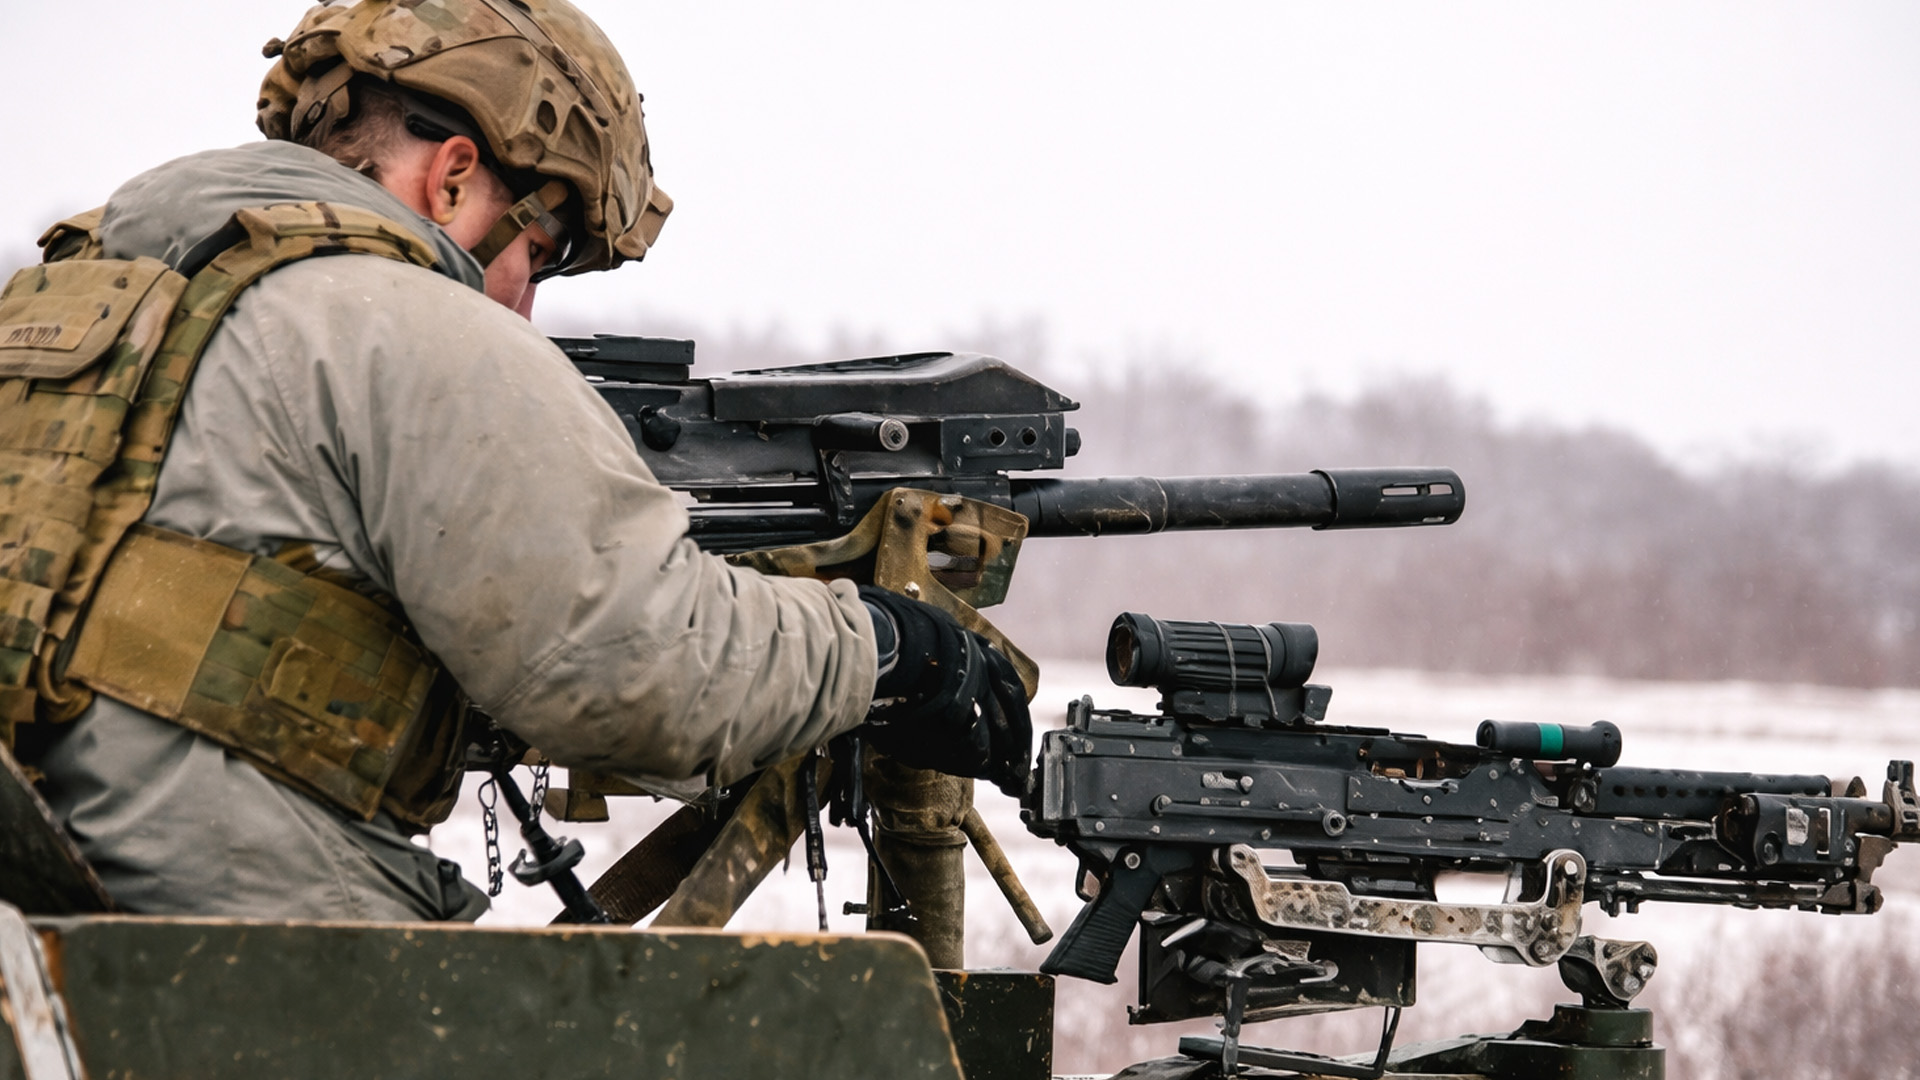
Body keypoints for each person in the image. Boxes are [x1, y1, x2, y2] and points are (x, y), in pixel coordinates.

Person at [12, 0, 1028, 922]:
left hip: (51, 897)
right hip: (233, 942)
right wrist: (891, 651)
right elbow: (631, 666)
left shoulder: (81, 301)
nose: (526, 311)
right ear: (454, 175)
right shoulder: (400, 323)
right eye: (537, 256)